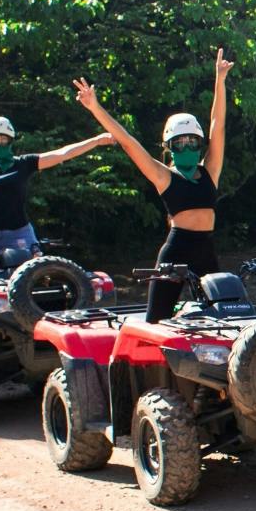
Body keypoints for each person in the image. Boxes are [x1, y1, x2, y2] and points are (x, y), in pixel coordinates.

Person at [72, 48, 231, 320]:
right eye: (179, 143)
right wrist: (95, 107)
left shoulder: (210, 171)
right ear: (170, 148)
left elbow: (217, 125)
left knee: (225, 314)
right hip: (176, 249)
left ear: (198, 143)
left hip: (206, 249)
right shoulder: (164, 176)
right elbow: (128, 142)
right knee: (156, 318)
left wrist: (219, 79)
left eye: (192, 141)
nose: (187, 147)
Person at [0, 116, 114, 279]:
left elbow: (62, 154)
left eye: (3, 139)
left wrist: (96, 141)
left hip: (19, 233)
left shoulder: (23, 164)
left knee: (39, 279)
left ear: (10, 140)